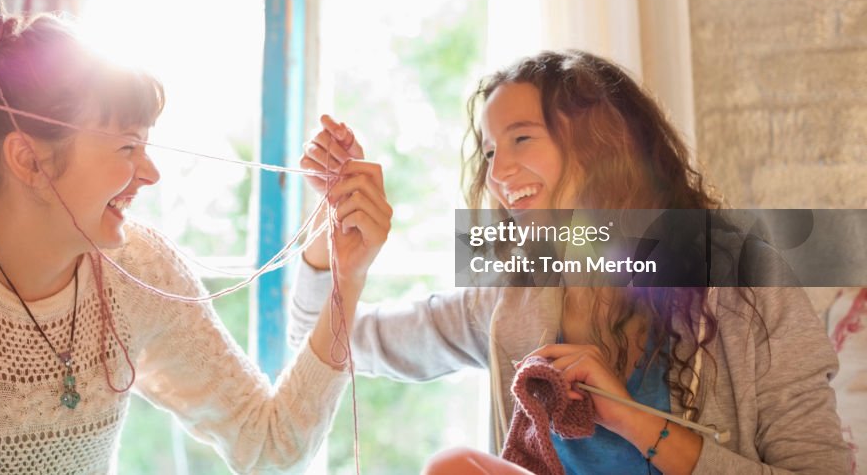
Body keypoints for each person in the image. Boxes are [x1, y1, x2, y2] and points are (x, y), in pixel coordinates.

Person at [0, 0, 393, 474]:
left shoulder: (139, 271)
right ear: (29, 161)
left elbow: (273, 447)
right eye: (127, 147)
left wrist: (348, 279)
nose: (150, 173)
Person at [290, 50, 850, 474]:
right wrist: (338, 250)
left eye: (521, 138)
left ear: (602, 143)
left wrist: (632, 418)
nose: (497, 172)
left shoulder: (745, 281)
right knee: (455, 467)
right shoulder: (514, 294)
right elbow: (325, 348)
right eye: (488, 151)